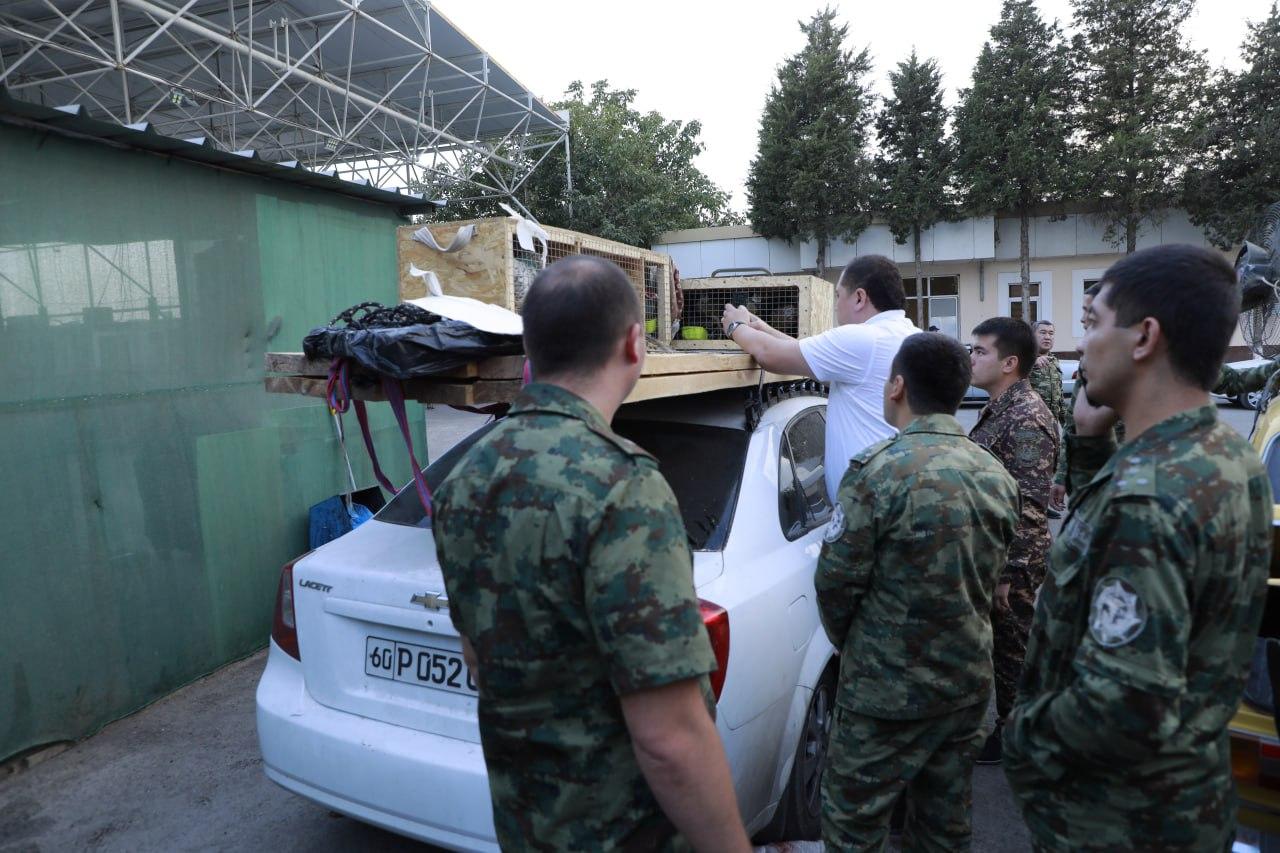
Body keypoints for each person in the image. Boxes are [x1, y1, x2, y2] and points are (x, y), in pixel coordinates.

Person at [433, 256, 750, 852]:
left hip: (526, 827)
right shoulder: (622, 485)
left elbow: (478, 654)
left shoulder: (465, 477)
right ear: (635, 343)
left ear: (533, 347)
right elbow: (670, 737)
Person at [1004, 245, 1273, 851]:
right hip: (1183, 804)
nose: (1082, 342)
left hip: (1117, 820)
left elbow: (1119, 705)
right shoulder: (1224, 456)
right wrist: (1090, 440)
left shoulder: (1147, 497)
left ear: (1144, 337)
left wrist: (1022, 735)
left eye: (1094, 321)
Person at [816, 332, 1019, 851]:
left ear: (898, 387)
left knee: (853, 826)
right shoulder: (994, 474)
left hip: (884, 691)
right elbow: (992, 575)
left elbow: (837, 586)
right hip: (964, 685)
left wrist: (859, 648)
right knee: (944, 826)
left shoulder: (875, 471)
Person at [720, 255, 918, 502]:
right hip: (894, 498)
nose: (836, 305)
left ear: (859, 297)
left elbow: (769, 355)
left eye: (838, 295)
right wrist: (762, 328)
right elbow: (805, 355)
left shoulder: (865, 339)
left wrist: (734, 327)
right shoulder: (906, 336)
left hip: (870, 514)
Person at [967, 317, 1060, 765]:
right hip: (998, 557)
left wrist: (1010, 573)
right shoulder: (1001, 407)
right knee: (1003, 651)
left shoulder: (1026, 416)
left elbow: (1030, 504)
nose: (971, 358)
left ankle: (1017, 738)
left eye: (980, 351)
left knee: (1012, 653)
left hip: (1013, 564)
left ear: (1009, 363)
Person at [1049, 283, 1123, 513]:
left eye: (1093, 318)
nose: (1082, 320)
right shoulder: (1088, 362)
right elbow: (1071, 424)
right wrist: (1062, 476)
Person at [1029, 319, 1068, 430]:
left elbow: (1059, 397)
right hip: (1030, 426)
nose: (1047, 337)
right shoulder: (1023, 360)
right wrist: (1031, 363)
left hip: (1051, 425)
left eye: (1051, 333)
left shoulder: (1054, 361)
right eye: (1042, 332)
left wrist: (1067, 425)